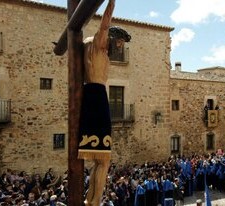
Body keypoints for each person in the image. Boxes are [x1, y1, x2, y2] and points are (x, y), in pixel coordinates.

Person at [77, 0, 131, 205]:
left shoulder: (93, 48)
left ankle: (92, 199)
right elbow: (105, 23)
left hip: (94, 94)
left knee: (101, 159)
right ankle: (93, 201)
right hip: (97, 95)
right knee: (104, 159)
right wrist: (111, 2)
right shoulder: (98, 44)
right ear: (110, 37)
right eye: (119, 42)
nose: (119, 46)